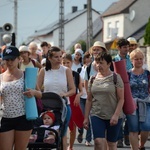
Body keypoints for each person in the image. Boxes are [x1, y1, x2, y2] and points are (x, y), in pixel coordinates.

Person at [0, 45, 42, 150]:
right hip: (6, 117)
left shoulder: (26, 75)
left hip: (23, 117)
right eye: (7, 59)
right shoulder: (1, 77)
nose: (9, 62)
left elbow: (40, 94)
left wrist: (33, 92)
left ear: (19, 59)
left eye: (12, 59)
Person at [83, 52, 124, 150]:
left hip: (113, 115)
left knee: (111, 144)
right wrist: (86, 118)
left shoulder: (116, 77)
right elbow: (89, 100)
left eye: (101, 63)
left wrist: (116, 115)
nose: (98, 65)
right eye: (97, 63)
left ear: (109, 64)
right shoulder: (92, 79)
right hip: (97, 114)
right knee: (98, 141)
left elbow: (121, 99)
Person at [37, 46, 76, 150]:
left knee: (62, 133)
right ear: (49, 58)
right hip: (46, 107)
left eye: (60, 56)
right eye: (56, 57)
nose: (59, 59)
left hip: (63, 106)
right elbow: (37, 87)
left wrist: (64, 94)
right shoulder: (43, 71)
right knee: (45, 131)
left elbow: (73, 89)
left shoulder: (66, 70)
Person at [126, 49, 150, 150]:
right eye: (136, 59)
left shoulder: (148, 73)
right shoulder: (128, 74)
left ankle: (141, 145)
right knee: (133, 129)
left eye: (141, 59)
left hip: (146, 103)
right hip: (132, 105)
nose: (139, 61)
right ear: (132, 60)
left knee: (146, 127)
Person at [61, 53, 83, 150]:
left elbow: (82, 90)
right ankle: (62, 145)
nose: (66, 65)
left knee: (73, 127)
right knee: (62, 124)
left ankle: (71, 146)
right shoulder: (59, 74)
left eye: (68, 62)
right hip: (62, 100)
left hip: (73, 100)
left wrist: (78, 95)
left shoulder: (76, 75)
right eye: (64, 63)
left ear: (72, 62)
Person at [113, 38, 132, 147]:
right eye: (124, 47)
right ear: (119, 48)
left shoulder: (130, 59)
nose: (127, 49)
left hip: (129, 90)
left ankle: (127, 135)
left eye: (127, 47)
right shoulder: (114, 60)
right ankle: (119, 138)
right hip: (118, 90)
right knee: (119, 115)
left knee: (129, 114)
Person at [77, 51, 93, 146]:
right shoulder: (80, 70)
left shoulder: (93, 69)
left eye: (90, 58)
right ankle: (80, 130)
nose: (88, 60)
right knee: (82, 117)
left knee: (89, 118)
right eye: (87, 58)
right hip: (81, 96)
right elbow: (76, 82)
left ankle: (88, 139)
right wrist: (81, 84)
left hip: (89, 97)